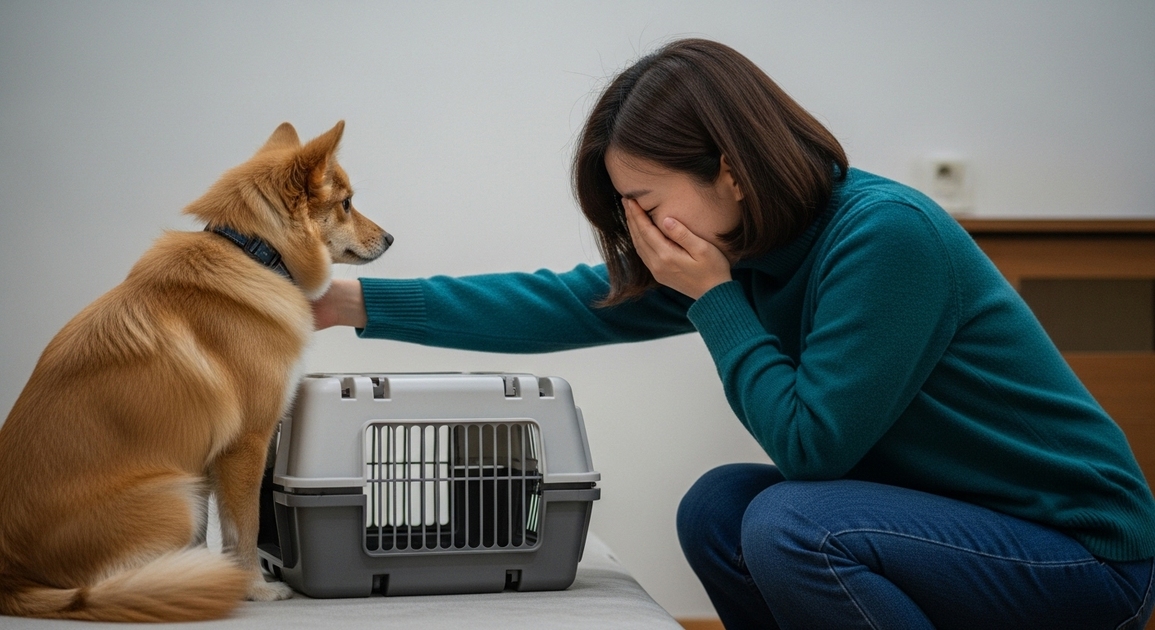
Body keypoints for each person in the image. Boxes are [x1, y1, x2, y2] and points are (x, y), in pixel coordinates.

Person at [313, 39, 1155, 629]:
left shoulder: (882, 235)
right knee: (719, 507)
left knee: (791, 522)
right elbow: (568, 302)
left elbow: (812, 449)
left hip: (1079, 557)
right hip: (942, 526)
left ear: (730, 169)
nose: (638, 229)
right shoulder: (746, 246)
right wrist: (352, 301)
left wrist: (715, 300)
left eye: (645, 202)